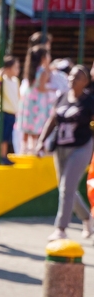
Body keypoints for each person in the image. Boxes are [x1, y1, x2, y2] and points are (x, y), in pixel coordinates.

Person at [38, 64, 94, 243]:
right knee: (66, 188)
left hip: (81, 147)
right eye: (70, 76)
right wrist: (41, 141)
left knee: (66, 188)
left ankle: (61, 228)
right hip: (60, 147)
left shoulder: (89, 101)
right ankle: (87, 218)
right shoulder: (62, 97)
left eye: (77, 77)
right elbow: (53, 120)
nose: (72, 79)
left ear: (85, 81)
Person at [17, 44, 55, 155]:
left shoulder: (31, 69)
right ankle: (33, 149)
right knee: (35, 126)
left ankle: (23, 149)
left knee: (27, 126)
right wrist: (52, 90)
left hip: (28, 99)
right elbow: (41, 87)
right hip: (38, 101)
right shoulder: (43, 71)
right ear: (43, 57)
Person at [0, 53, 19, 162]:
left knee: (6, 138)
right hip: (4, 112)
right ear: (8, 69)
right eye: (15, 67)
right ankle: (0, 156)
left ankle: (4, 156)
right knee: (1, 137)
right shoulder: (3, 80)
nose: (18, 70)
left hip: (12, 112)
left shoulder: (15, 80)